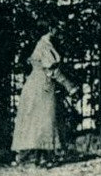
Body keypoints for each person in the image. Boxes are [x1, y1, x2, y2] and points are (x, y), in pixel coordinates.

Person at [11, 27, 77, 166]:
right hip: (43, 87)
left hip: (33, 85)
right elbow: (52, 70)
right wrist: (70, 86)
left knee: (36, 121)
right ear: (51, 29)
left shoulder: (38, 44)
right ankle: (39, 157)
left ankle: (37, 157)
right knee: (45, 120)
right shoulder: (45, 45)